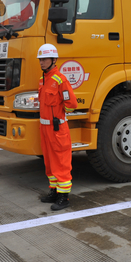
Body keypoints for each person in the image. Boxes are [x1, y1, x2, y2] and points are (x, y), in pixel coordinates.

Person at [37, 44, 78, 211]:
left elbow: (72, 103)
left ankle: (64, 197)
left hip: (56, 128)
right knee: (49, 161)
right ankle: (53, 191)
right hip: (44, 128)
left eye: (45, 59)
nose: (41, 62)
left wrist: (60, 116)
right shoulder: (43, 80)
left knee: (61, 162)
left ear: (54, 60)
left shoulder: (60, 80)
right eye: (40, 60)